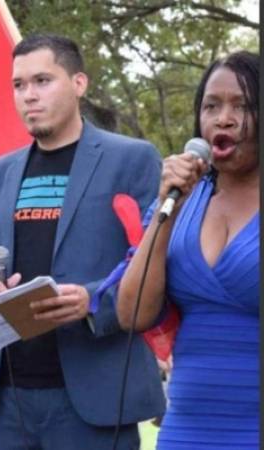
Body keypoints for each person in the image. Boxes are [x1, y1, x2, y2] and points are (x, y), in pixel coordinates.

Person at [0, 33, 165, 450]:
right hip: (7, 399)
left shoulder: (133, 159)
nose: (28, 96)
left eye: (43, 80)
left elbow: (154, 267)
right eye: (18, 85)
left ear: (79, 83)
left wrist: (92, 301)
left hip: (94, 397)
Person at [117, 51, 259, 449]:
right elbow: (131, 314)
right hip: (187, 429)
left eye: (242, 105)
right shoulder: (180, 200)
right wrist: (170, 206)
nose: (223, 118)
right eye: (211, 106)